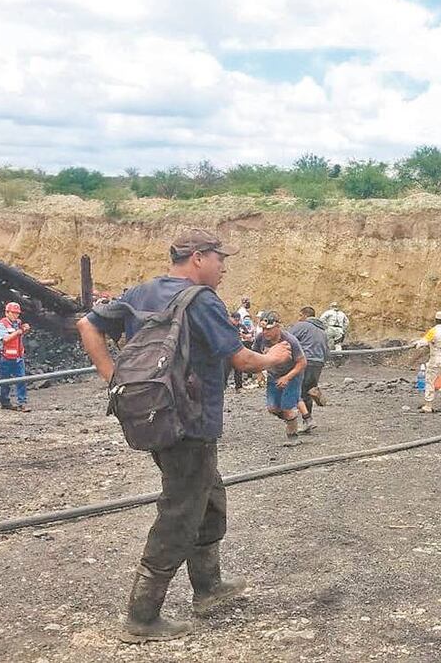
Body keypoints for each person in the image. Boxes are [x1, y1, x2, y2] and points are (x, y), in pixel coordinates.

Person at [75, 228, 293, 644]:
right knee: (180, 511)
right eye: (219, 258)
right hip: (190, 422)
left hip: (159, 416)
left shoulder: (143, 292)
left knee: (209, 498)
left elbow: (87, 325)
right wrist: (274, 357)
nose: (224, 266)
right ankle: (142, 615)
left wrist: (114, 380)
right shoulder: (203, 300)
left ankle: (208, 586)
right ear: (197, 257)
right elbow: (242, 359)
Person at [253, 311, 308, 442]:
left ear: (278, 327)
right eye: (263, 329)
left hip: (293, 375)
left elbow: (302, 363)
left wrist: (287, 378)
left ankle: (293, 437)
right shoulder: (260, 338)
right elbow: (255, 355)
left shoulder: (290, 341)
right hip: (274, 374)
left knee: (287, 407)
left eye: (268, 329)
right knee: (272, 408)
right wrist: (259, 372)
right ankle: (292, 418)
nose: (265, 332)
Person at [288, 307, 328, 431]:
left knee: (298, 391)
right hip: (318, 362)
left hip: (305, 361)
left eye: (300, 315)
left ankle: (307, 419)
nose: (298, 318)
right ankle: (307, 421)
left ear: (305, 315)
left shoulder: (302, 325)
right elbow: (327, 349)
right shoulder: (322, 330)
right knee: (308, 391)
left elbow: (287, 338)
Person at [416, 311, 441, 412]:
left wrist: (417, 343)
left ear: (436, 320)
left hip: (436, 361)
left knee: (430, 381)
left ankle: (428, 405)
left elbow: (424, 342)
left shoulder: (433, 331)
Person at [0, 301, 32, 412]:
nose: (16, 316)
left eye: (17, 314)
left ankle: (22, 403)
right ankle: (5, 402)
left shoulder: (17, 323)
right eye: (14, 313)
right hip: (6, 357)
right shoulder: (2, 324)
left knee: (21, 380)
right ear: (7, 312)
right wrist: (19, 332)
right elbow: (5, 339)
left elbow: (19, 333)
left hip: (18, 357)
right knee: (5, 382)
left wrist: (24, 328)